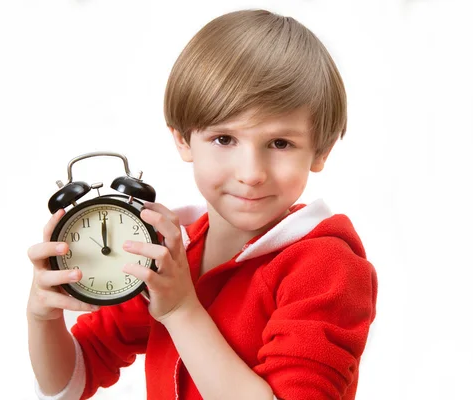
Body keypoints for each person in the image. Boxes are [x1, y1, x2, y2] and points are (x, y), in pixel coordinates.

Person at [27, 9, 378, 400]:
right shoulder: (172, 255)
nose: (251, 173)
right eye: (224, 139)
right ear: (182, 140)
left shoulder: (327, 269)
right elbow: (71, 379)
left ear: (320, 150)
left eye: (280, 143)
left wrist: (181, 310)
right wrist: (42, 316)